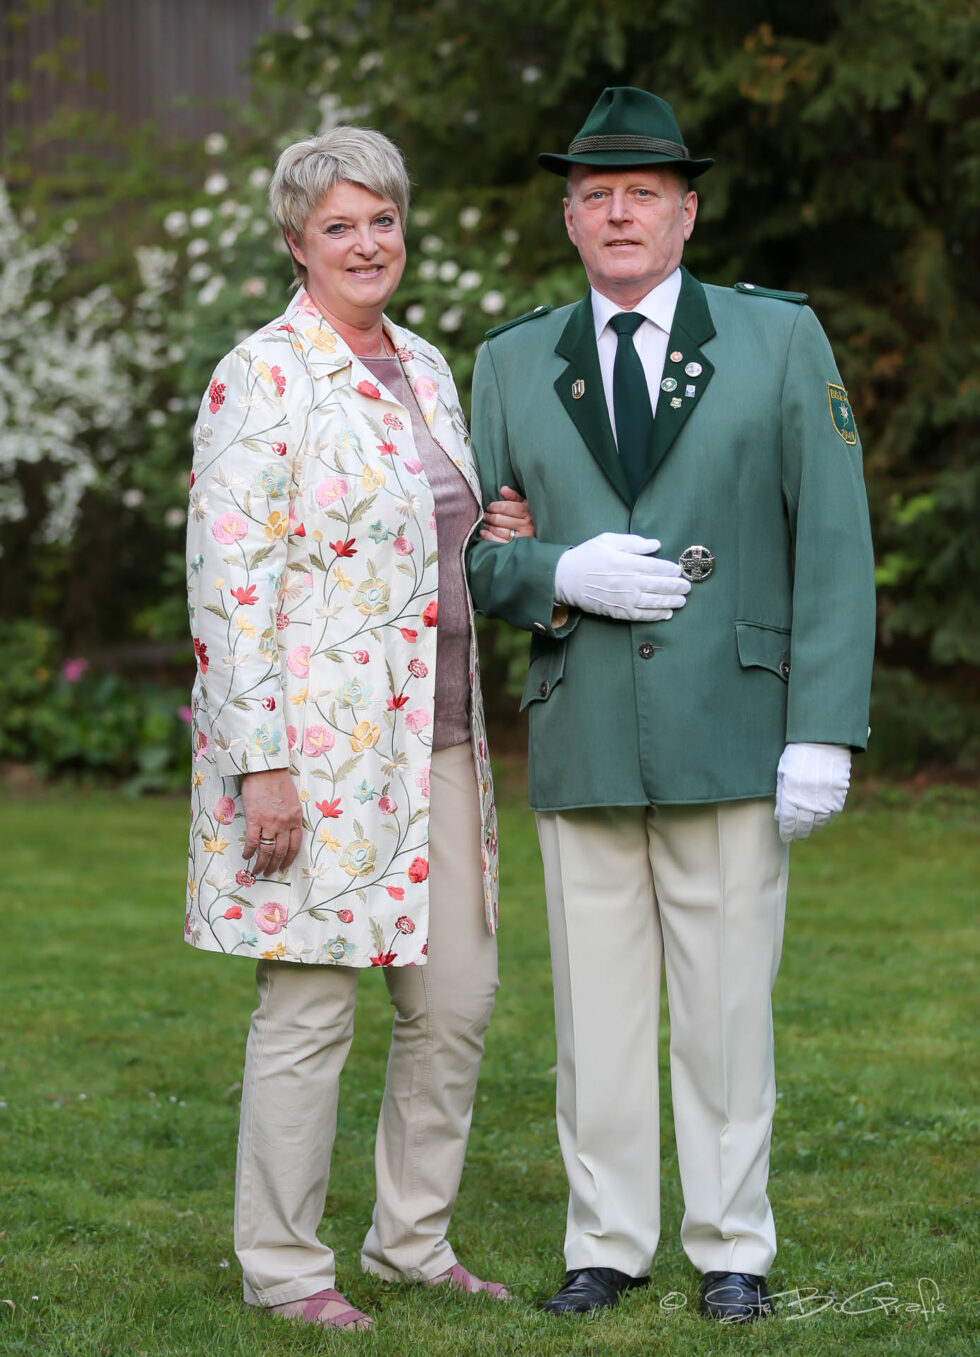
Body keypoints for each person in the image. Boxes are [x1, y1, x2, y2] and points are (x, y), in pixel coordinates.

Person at [466, 86, 876, 1324]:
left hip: (734, 724)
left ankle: (730, 1247)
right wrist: (555, 573)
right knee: (593, 1015)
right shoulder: (509, 361)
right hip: (585, 721)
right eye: (596, 196)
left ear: (686, 213)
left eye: (643, 193)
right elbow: (484, 556)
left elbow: (833, 541)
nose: (619, 214)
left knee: (723, 1006)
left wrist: (823, 725)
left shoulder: (776, 340)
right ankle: (604, 1240)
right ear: (568, 219)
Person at [184, 126, 532, 1331]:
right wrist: (260, 765)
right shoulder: (262, 373)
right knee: (312, 1008)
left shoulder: (425, 366)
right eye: (339, 224)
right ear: (296, 243)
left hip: (436, 741)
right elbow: (227, 582)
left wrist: (497, 526)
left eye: (380, 217)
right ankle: (284, 1268)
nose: (366, 241)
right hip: (317, 754)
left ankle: (409, 1242)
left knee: (457, 1001)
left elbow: (432, 538)